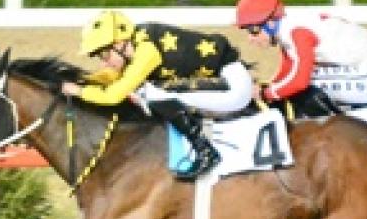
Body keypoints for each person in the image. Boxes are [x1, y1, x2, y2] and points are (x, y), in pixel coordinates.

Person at [61, 9, 255, 180]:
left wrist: (80, 91)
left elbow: (114, 95)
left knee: (153, 93)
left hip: (234, 88)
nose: (104, 63)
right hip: (222, 78)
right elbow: (113, 75)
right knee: (153, 91)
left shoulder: (147, 52)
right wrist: (84, 81)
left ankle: (205, 150)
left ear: (119, 44)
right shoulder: (136, 41)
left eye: (104, 55)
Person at [234, 0, 367, 108]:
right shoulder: (288, 29)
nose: (251, 39)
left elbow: (300, 81)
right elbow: (286, 71)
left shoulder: (297, 32)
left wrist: (266, 93)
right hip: (360, 68)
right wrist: (266, 88)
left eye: (253, 31)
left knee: (304, 83)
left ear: (271, 23)